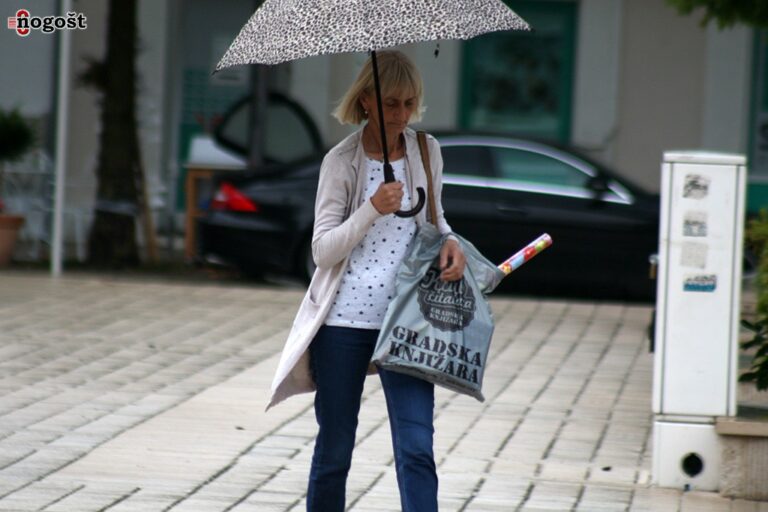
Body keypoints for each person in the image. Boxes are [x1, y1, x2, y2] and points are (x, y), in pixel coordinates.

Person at [267, 50, 466, 512]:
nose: (401, 114)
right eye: (391, 103)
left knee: (417, 448)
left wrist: (452, 242)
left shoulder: (426, 150)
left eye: (409, 103)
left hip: (407, 322)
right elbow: (322, 251)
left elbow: (436, 219)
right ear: (366, 102)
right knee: (335, 450)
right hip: (345, 323)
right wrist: (371, 208)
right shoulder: (340, 162)